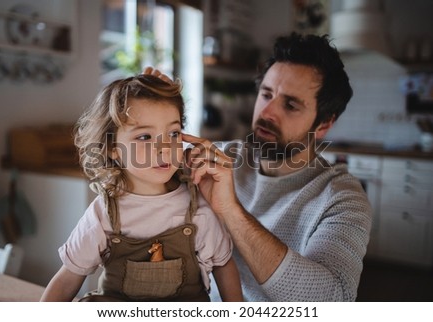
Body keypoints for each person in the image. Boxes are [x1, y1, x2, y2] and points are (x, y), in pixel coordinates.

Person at [149, 32, 372, 302]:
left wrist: (231, 211)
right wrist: (152, 113)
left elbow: (330, 301)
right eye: (266, 94)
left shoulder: (342, 199)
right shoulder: (223, 155)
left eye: (290, 105)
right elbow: (143, 180)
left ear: (324, 124)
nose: (267, 113)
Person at [40, 74, 243, 302]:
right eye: (145, 136)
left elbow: (223, 266)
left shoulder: (198, 208)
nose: (164, 148)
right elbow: (68, 279)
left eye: (173, 133)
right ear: (111, 147)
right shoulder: (104, 213)